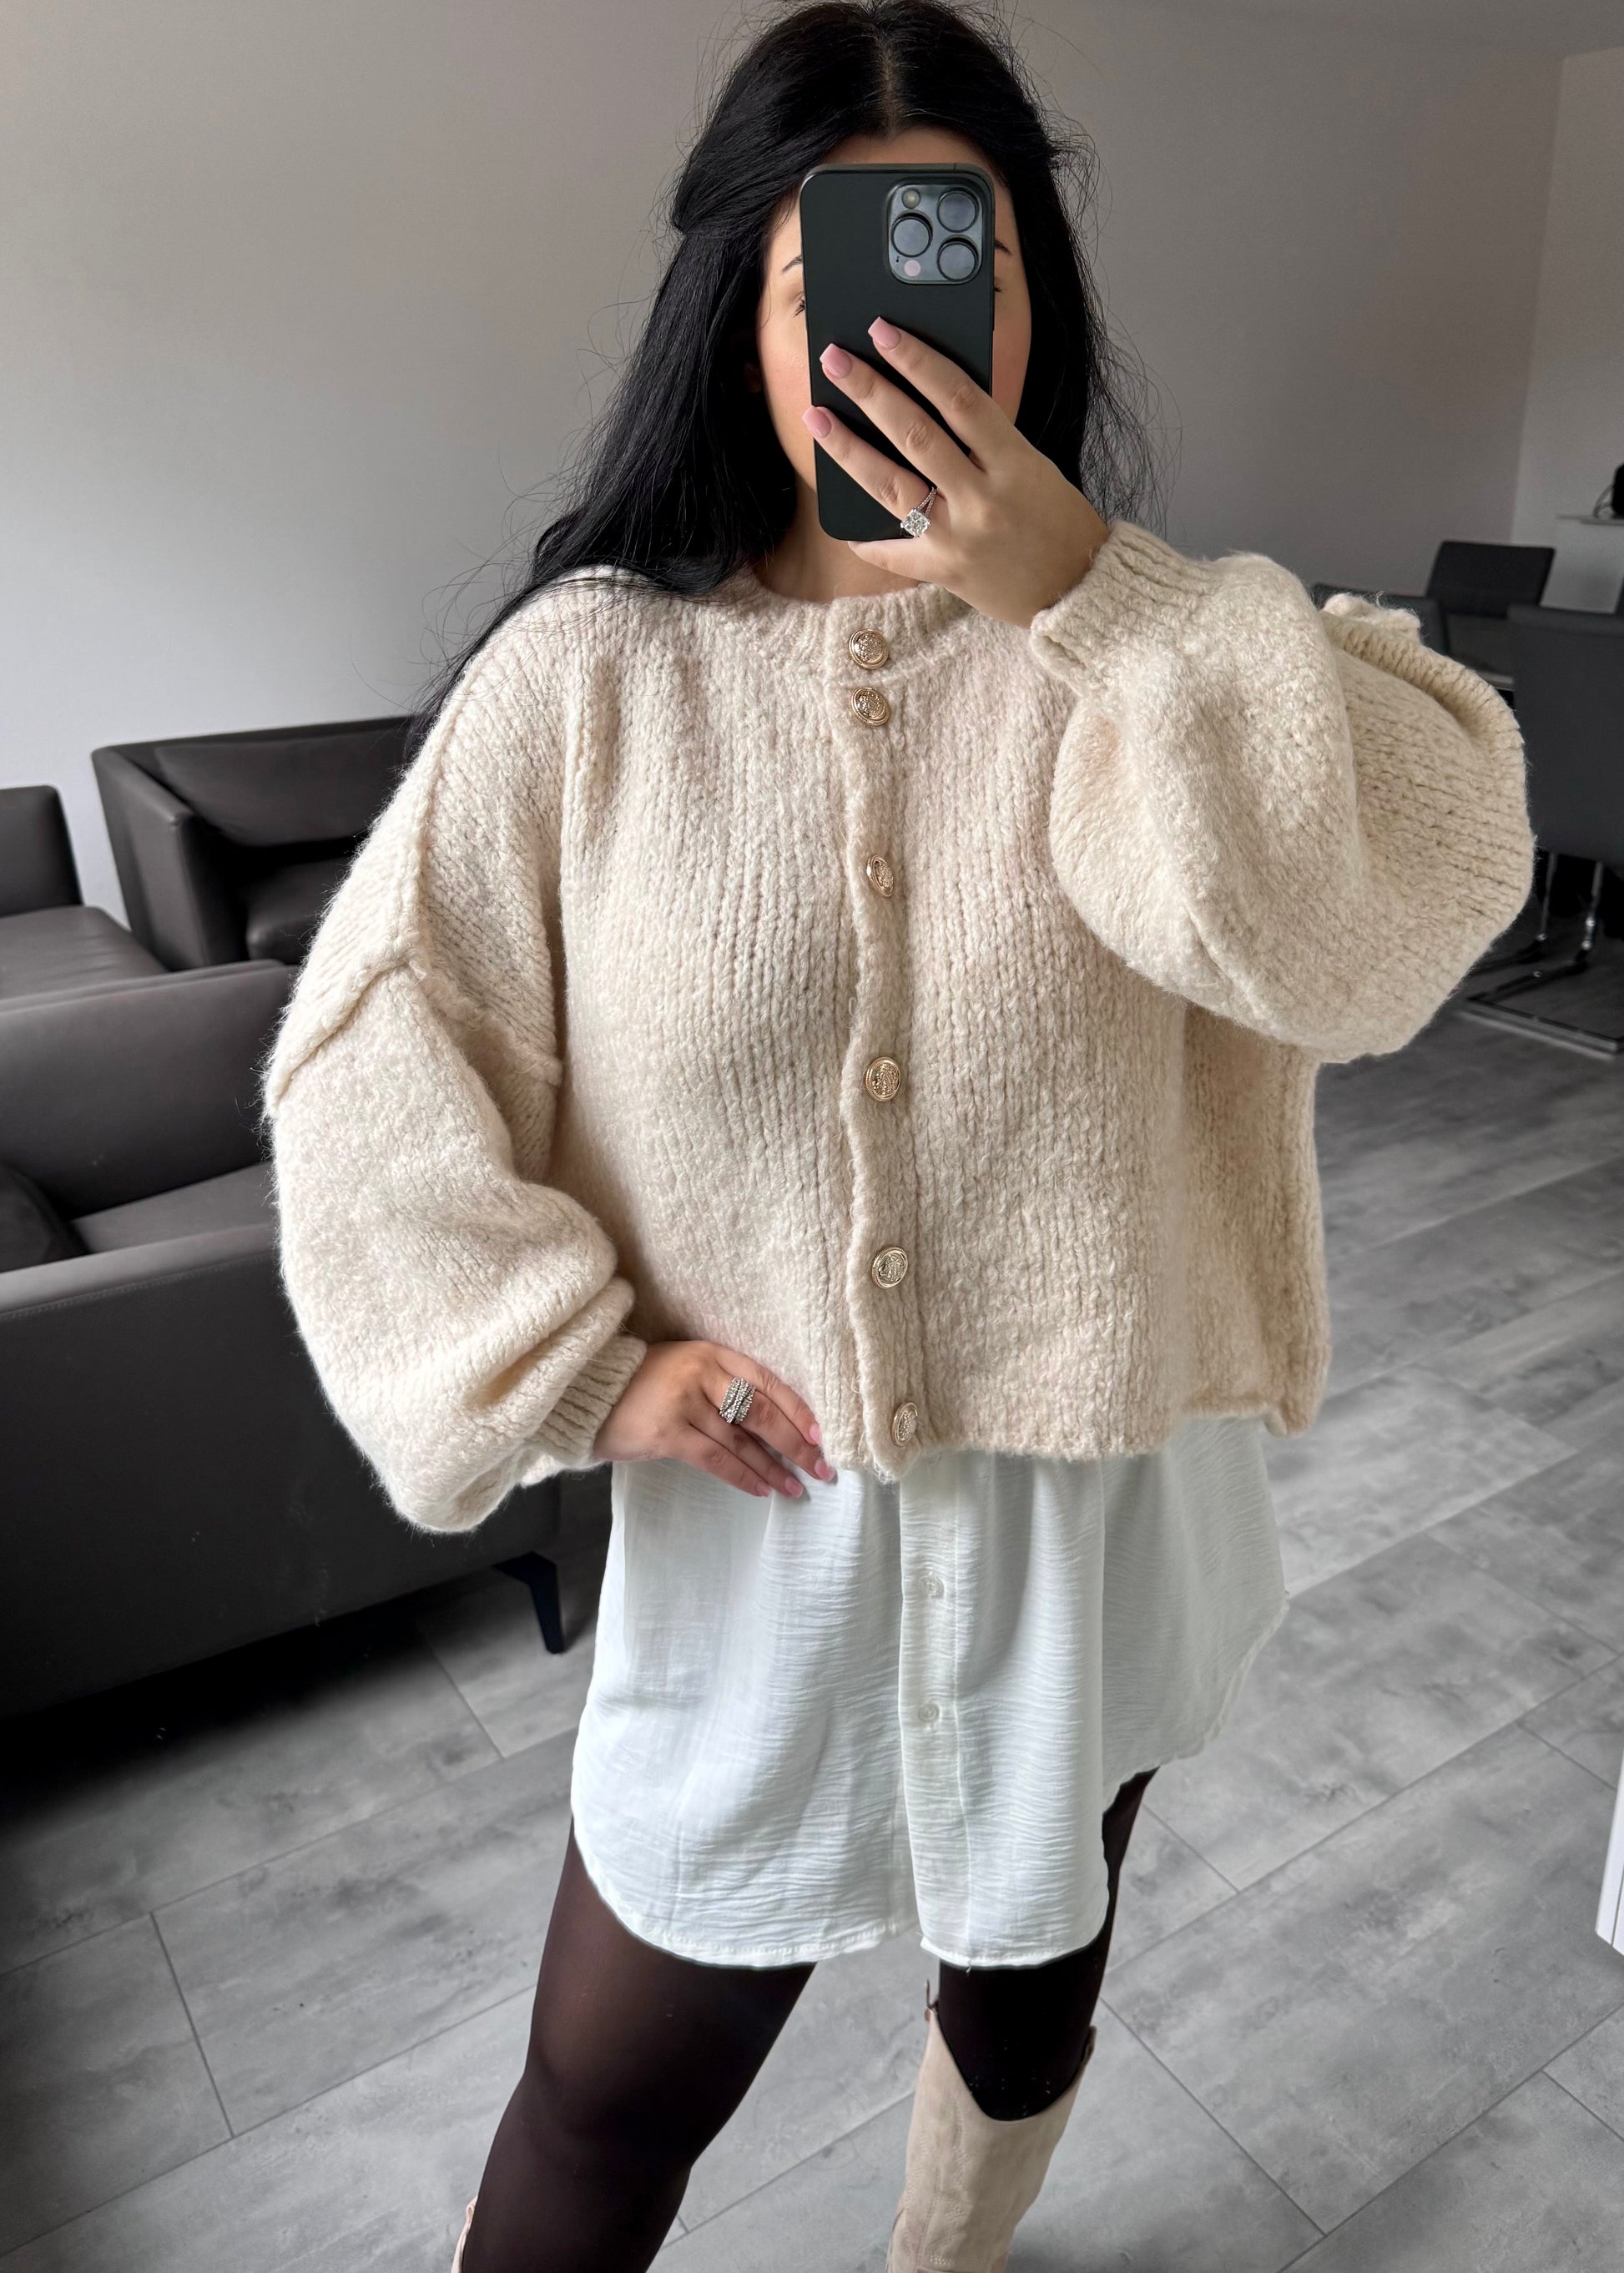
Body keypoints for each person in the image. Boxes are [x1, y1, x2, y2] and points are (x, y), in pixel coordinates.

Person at [261, 5, 1535, 2270]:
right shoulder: (591, 680)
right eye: (820, 281)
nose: (902, 333)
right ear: (735, 317)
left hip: (1095, 1506)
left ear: (1036, 302)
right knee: (604, 2089)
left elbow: (1392, 919)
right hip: (765, 1531)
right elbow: (367, 1055)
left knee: (1027, 1981)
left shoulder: (1168, 652)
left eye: (974, 266)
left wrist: (1092, 595)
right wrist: (573, 1366)